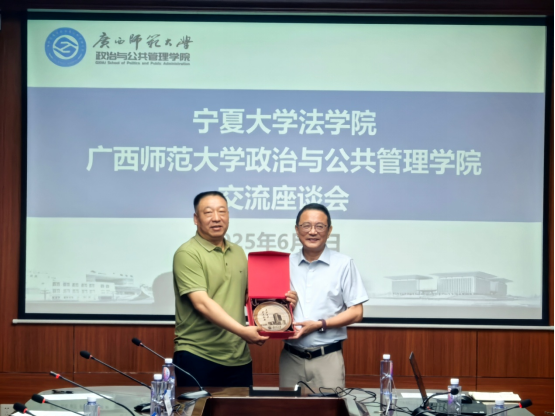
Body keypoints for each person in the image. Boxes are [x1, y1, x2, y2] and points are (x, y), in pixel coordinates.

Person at [173, 191, 297, 387]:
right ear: (196, 219)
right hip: (198, 354)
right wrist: (242, 331)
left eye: (222, 211)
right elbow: (202, 304)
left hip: (238, 357)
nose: (216, 218)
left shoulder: (237, 252)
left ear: (228, 215)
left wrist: (283, 304)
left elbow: (250, 297)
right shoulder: (187, 253)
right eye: (208, 212)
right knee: (197, 406)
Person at [279, 203, 369, 391]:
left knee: (330, 407)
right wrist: (284, 305)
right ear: (297, 230)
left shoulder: (343, 264)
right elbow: (271, 306)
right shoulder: (283, 264)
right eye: (306, 226)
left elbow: (356, 312)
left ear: (329, 231)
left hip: (327, 358)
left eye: (319, 226)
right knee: (287, 407)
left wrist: (320, 324)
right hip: (290, 358)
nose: (312, 231)